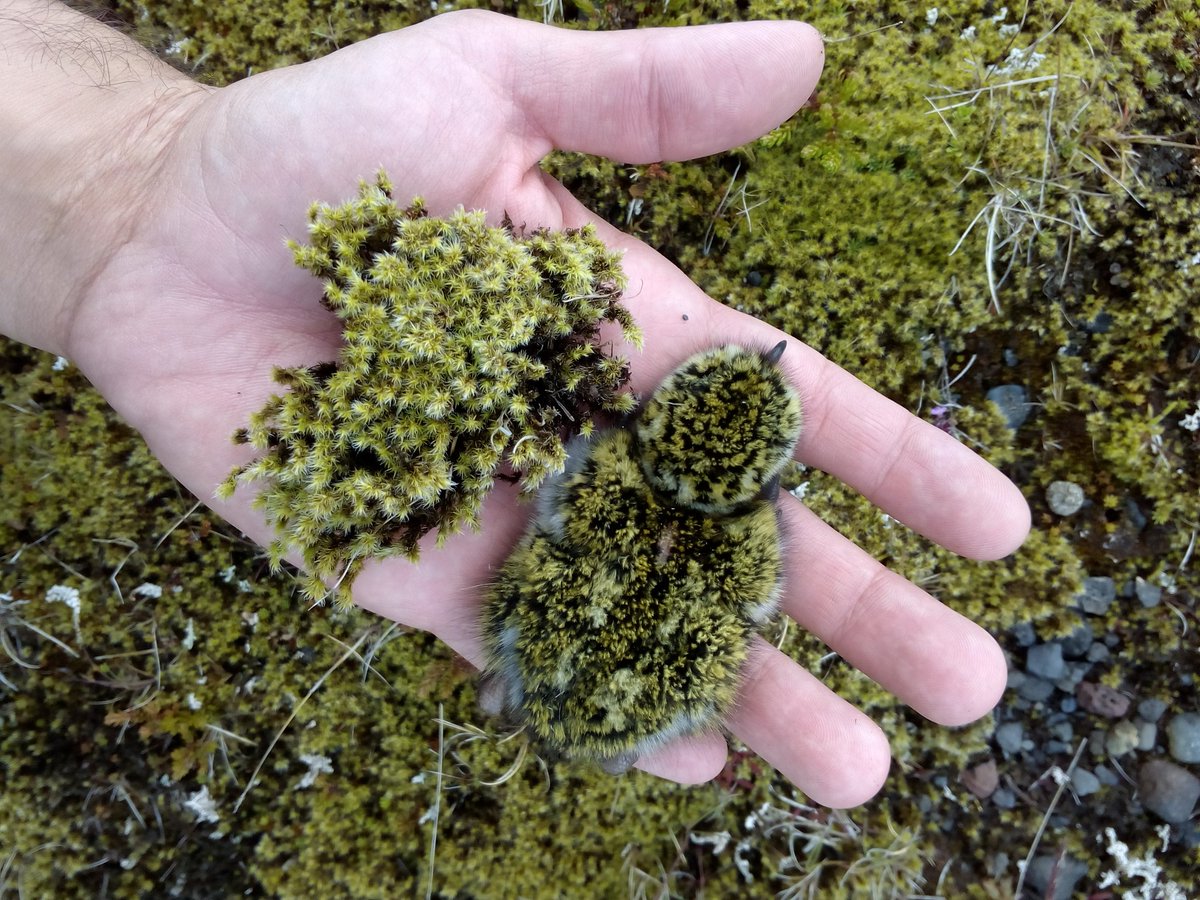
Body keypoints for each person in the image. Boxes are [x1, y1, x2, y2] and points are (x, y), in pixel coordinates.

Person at [0, 1, 1030, 808]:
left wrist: (127, 172)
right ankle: (554, 693)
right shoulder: (720, 529)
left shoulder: (651, 499)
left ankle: (556, 690)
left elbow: (631, 545)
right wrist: (135, 176)